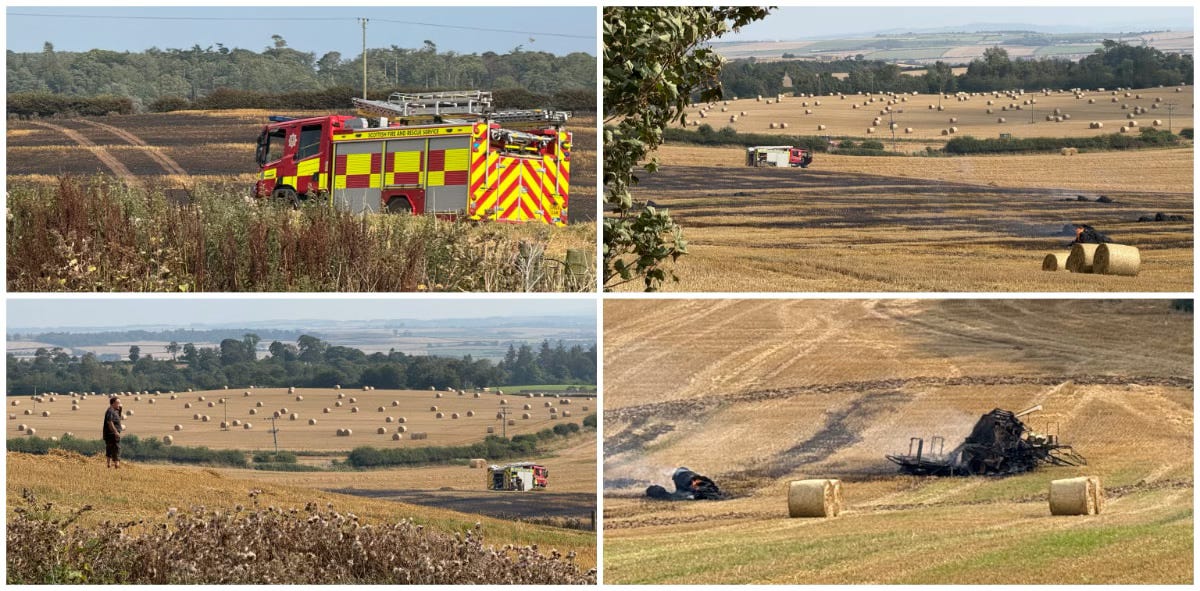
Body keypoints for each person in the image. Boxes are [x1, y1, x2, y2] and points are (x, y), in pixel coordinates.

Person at [103, 397, 123, 469]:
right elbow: (110, 422)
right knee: (116, 448)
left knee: (110, 448)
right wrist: (116, 432)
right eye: (118, 403)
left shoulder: (114, 411)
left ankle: (109, 465)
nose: (119, 404)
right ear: (113, 403)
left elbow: (119, 417)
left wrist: (120, 409)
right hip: (112, 434)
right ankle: (117, 465)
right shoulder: (110, 411)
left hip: (110, 434)